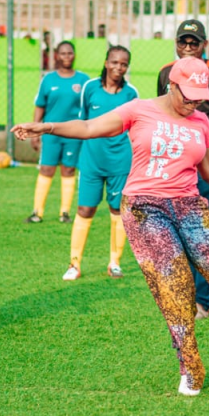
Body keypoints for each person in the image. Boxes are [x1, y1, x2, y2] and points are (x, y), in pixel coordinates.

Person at [13, 56, 209, 397]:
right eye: (187, 94)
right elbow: (89, 128)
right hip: (145, 208)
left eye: (199, 95)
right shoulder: (139, 109)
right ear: (171, 85)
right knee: (176, 289)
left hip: (189, 205)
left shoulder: (201, 122)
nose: (193, 101)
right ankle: (190, 366)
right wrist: (46, 127)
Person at [157, 19, 209, 320]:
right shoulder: (166, 73)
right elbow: (161, 113)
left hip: (207, 170)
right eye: (184, 41)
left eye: (195, 42)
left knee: (203, 234)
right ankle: (180, 296)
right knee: (172, 234)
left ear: (205, 44)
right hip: (174, 169)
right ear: (177, 43)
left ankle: (201, 302)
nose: (189, 47)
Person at [63, 46, 138, 281]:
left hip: (120, 161)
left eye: (124, 64)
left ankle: (115, 263)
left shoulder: (131, 94)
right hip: (92, 161)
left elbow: (136, 127)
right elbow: (83, 121)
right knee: (85, 209)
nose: (119, 67)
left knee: (117, 210)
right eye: (114, 62)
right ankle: (74, 264)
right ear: (106, 62)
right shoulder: (90, 88)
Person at [25, 41, 89, 224]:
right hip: (50, 134)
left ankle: (65, 213)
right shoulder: (48, 79)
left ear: (74, 55)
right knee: (46, 169)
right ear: (56, 56)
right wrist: (34, 131)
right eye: (63, 53)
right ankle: (37, 212)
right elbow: (40, 106)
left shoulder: (83, 80)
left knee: (68, 169)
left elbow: (89, 107)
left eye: (70, 53)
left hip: (73, 135)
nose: (67, 56)